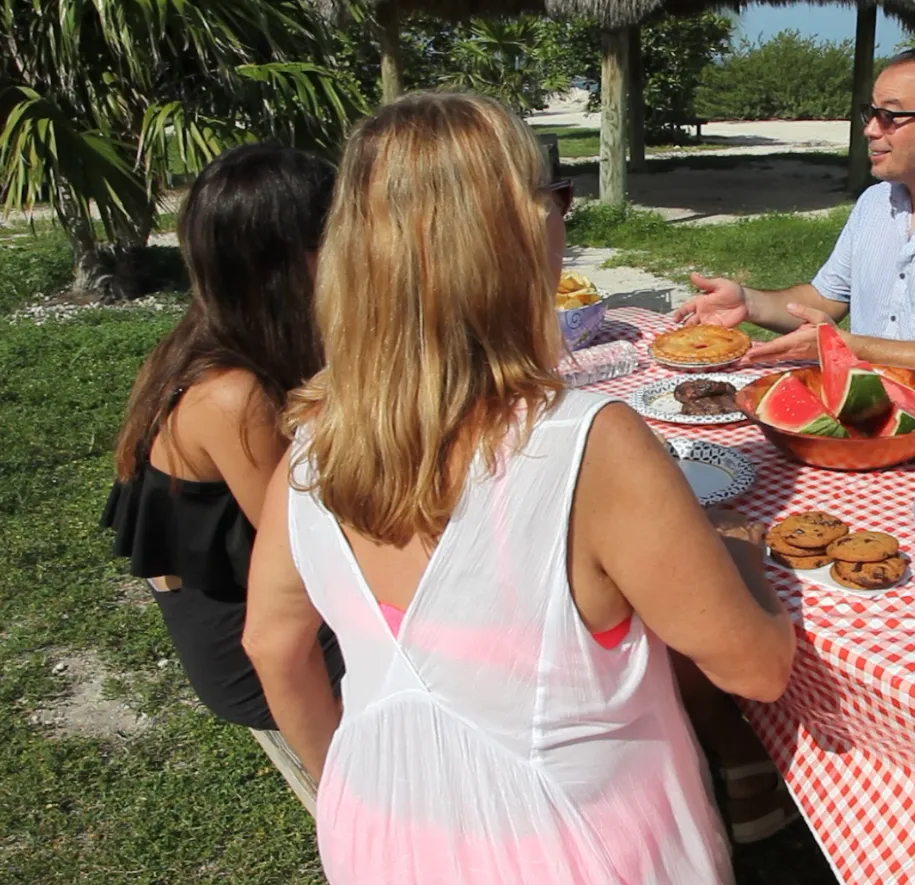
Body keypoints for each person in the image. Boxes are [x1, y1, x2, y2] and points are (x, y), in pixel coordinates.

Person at [241, 93, 796, 884]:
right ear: (515, 232)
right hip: (578, 844)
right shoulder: (587, 443)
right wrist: (738, 554)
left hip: (376, 833)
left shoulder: (310, 443)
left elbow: (271, 643)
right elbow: (755, 667)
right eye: (553, 198)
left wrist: (351, 783)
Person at [101, 144, 345, 730]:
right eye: (346, 232)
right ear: (297, 258)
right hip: (259, 657)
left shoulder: (219, 339)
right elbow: (319, 552)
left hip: (276, 616)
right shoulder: (233, 395)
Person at [674, 43, 915, 422]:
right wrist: (747, 302)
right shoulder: (875, 204)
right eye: (871, 113)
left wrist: (843, 347)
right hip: (869, 414)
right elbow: (826, 299)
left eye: (890, 117)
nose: (870, 129)